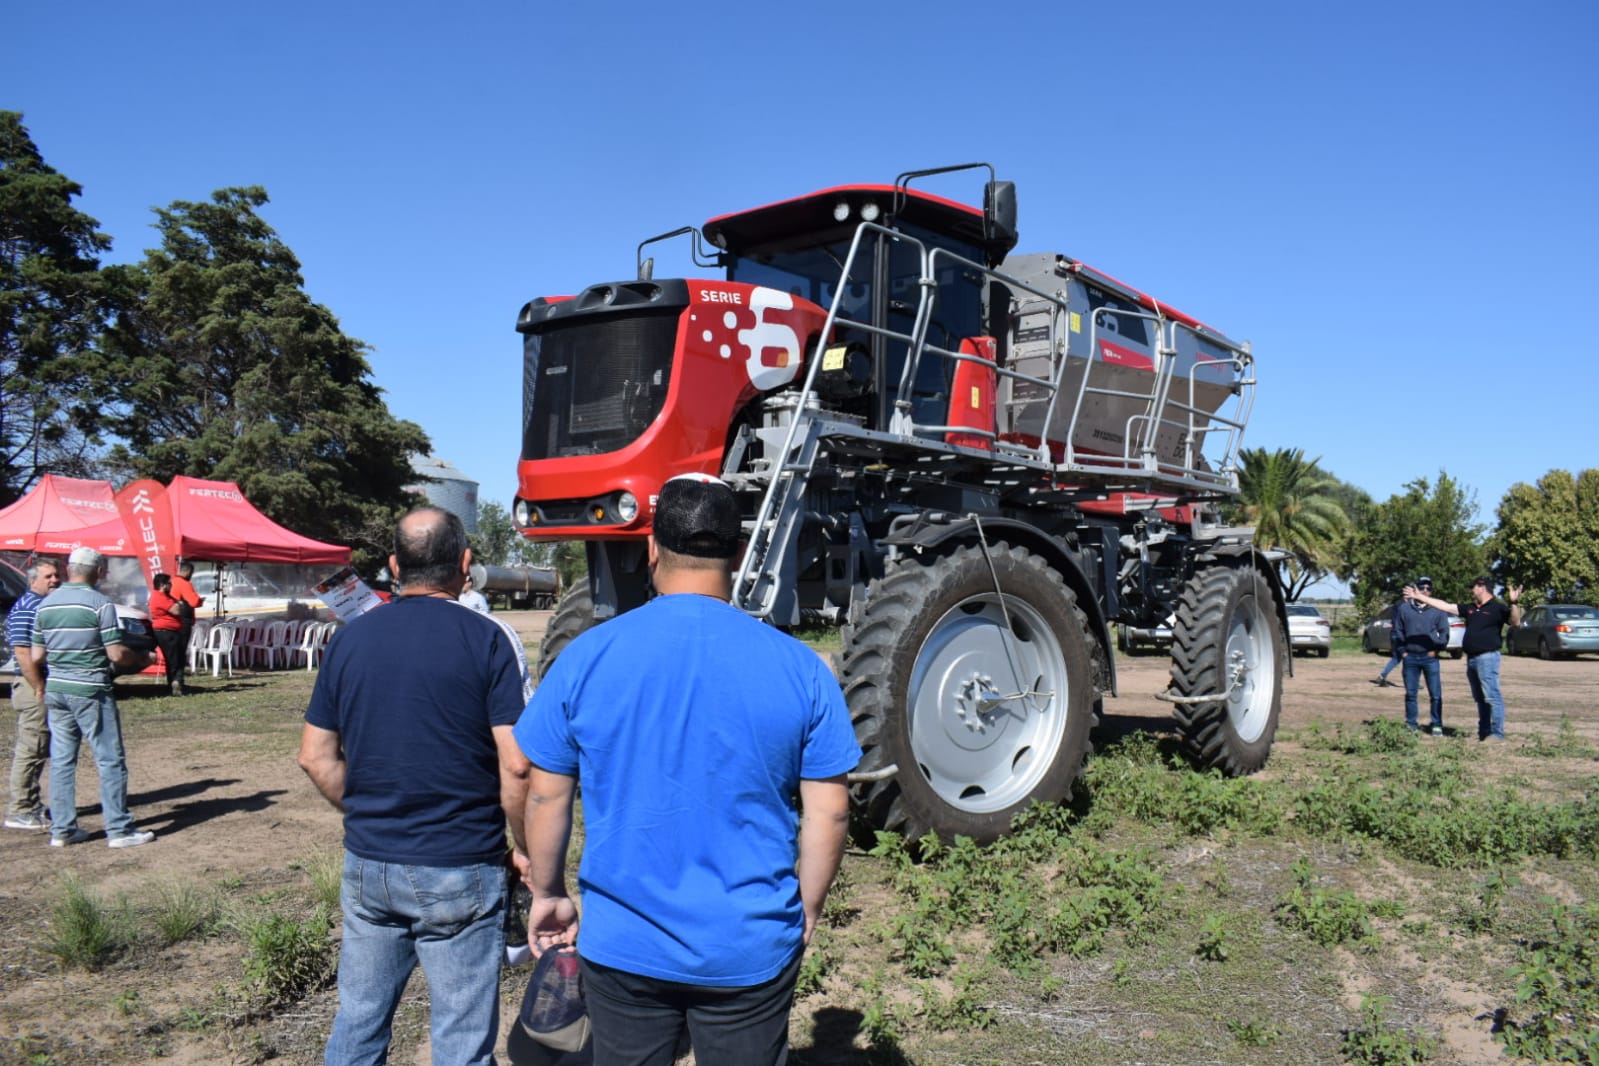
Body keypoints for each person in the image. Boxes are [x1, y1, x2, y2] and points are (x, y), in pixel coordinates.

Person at [514, 474, 860, 1066]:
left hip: (624, 945)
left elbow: (545, 796)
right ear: (739, 553)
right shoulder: (800, 669)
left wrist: (547, 893)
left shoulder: (587, 658)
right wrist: (807, 907)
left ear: (652, 547)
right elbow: (829, 809)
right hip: (748, 944)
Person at [297, 507, 531, 1066]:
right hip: (461, 864)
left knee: (357, 1024)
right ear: (466, 565)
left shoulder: (349, 641)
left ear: (395, 565)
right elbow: (517, 766)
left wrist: (367, 811)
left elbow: (314, 756)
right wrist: (523, 850)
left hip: (369, 864)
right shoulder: (490, 640)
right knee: (461, 1041)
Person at [32, 547, 155, 848]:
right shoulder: (100, 604)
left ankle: (62, 829)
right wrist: (143, 657)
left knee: (61, 760)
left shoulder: (45, 606)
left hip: (57, 690)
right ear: (98, 571)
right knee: (109, 759)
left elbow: (36, 655)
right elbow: (115, 653)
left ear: (69, 569)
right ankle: (119, 829)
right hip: (90, 690)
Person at [1407, 576, 1522, 741]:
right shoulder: (1470, 608)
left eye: (1473, 587)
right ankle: (1484, 732)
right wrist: (1420, 597)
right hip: (1472, 659)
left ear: (1481, 587)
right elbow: (1445, 606)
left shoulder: (1498, 607)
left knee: (1491, 696)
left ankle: (1497, 733)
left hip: (1488, 658)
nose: (1471, 590)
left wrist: (1514, 603)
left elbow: (1515, 621)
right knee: (1480, 698)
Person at [5, 559, 62, 830]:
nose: (54, 580)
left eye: (56, 575)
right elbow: (23, 653)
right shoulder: (28, 608)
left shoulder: (39, 606)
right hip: (32, 685)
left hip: (40, 682)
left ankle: (31, 802)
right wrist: (39, 685)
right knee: (32, 747)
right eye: (48, 576)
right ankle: (20, 809)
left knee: (40, 747)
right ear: (33, 581)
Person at [1391, 576, 1449, 734]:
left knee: (1435, 694)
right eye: (1422, 587)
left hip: (1430, 658)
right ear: (1415, 589)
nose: (1425, 590)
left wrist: (1436, 649)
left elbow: (1444, 633)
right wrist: (1402, 651)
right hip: (1410, 657)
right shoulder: (1404, 609)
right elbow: (1397, 631)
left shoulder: (1437, 609)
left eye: (1428, 588)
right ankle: (1411, 724)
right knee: (1411, 694)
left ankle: (1436, 724)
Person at [148, 574, 191, 697]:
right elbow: (176, 609)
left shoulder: (165, 597)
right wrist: (180, 605)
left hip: (171, 631)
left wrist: (179, 604)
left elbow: (177, 605)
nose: (171, 585)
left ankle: (175, 682)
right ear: (162, 585)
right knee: (174, 659)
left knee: (175, 658)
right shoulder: (159, 597)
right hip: (167, 632)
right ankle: (175, 682)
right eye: (169, 583)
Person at [1371, 603, 1403, 687]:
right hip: (1401, 635)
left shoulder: (1397, 606)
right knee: (1408, 658)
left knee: (1396, 658)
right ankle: (1412, 681)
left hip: (1395, 634)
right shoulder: (1404, 607)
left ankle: (1382, 676)